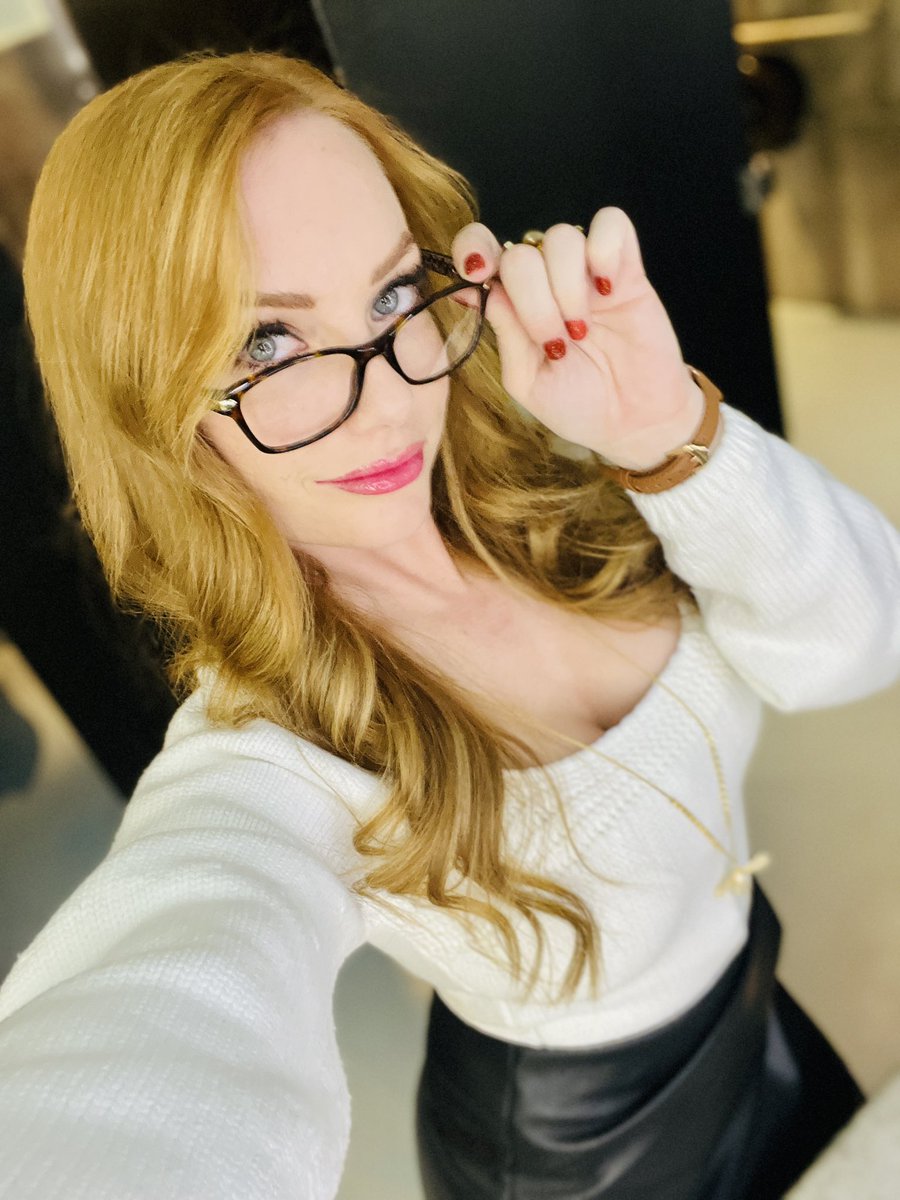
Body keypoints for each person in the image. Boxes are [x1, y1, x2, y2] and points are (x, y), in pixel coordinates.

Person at [0, 49, 898, 1200]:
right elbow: (146, 1042)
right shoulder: (270, 756)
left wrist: (669, 431)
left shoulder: (558, 474)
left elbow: (856, 646)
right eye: (264, 344)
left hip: (763, 1013)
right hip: (580, 1162)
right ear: (151, 404)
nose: (386, 397)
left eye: (390, 296)